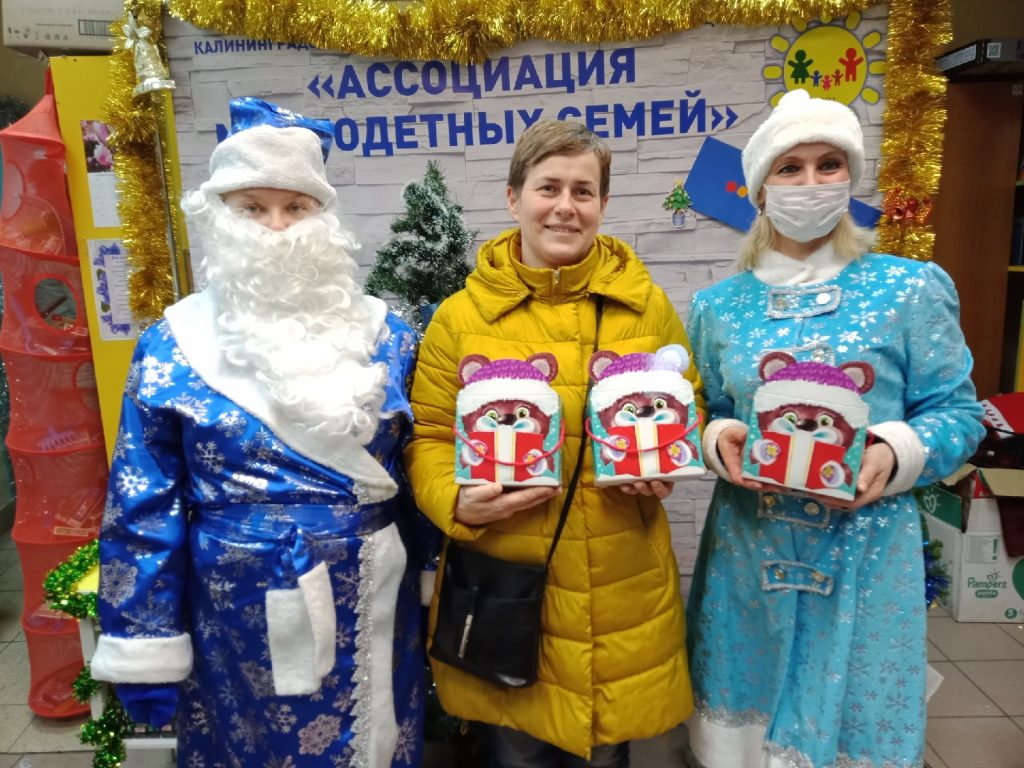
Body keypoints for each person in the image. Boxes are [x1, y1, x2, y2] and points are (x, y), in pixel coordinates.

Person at [89, 98, 434, 768]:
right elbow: (142, 503)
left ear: (323, 219)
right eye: (253, 207)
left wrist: (434, 573)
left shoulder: (388, 335)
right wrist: (143, 639)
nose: (277, 227)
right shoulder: (172, 344)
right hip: (233, 612)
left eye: (295, 207)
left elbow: (420, 469)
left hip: (372, 593)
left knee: (374, 741)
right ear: (222, 216)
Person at [684, 89, 985, 768]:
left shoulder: (910, 289)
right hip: (748, 551)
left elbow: (959, 414)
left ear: (851, 176)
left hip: (866, 553)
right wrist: (716, 439)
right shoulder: (717, 306)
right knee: (742, 729)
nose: (811, 182)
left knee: (854, 726)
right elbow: (704, 407)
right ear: (760, 188)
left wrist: (894, 452)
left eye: (829, 164)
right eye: (790, 168)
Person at [404, 118, 704, 767]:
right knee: (516, 753)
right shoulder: (460, 318)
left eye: (583, 191)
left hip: (620, 591)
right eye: (549, 188)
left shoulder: (645, 308)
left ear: (602, 204)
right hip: (511, 591)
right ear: (514, 198)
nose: (566, 206)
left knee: (605, 755)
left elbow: (689, 403)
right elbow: (428, 434)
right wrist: (454, 500)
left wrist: (670, 459)